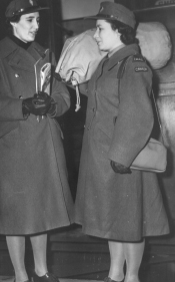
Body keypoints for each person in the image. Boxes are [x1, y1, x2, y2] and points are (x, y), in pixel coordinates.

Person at [0, 1, 74, 282]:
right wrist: (24, 105)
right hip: (13, 146)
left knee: (40, 208)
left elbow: (64, 95)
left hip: (44, 143)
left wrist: (51, 104)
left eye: (38, 21)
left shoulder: (45, 54)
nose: (36, 26)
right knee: (15, 214)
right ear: (13, 21)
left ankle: (41, 271)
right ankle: (21, 275)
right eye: (30, 20)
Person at [74, 2, 169, 282]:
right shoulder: (107, 62)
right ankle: (115, 275)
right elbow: (102, 94)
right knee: (112, 219)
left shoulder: (133, 63)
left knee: (131, 220)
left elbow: (138, 115)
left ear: (119, 31)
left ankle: (132, 277)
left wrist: (122, 156)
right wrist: (77, 84)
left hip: (123, 159)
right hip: (104, 157)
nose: (95, 35)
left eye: (100, 29)